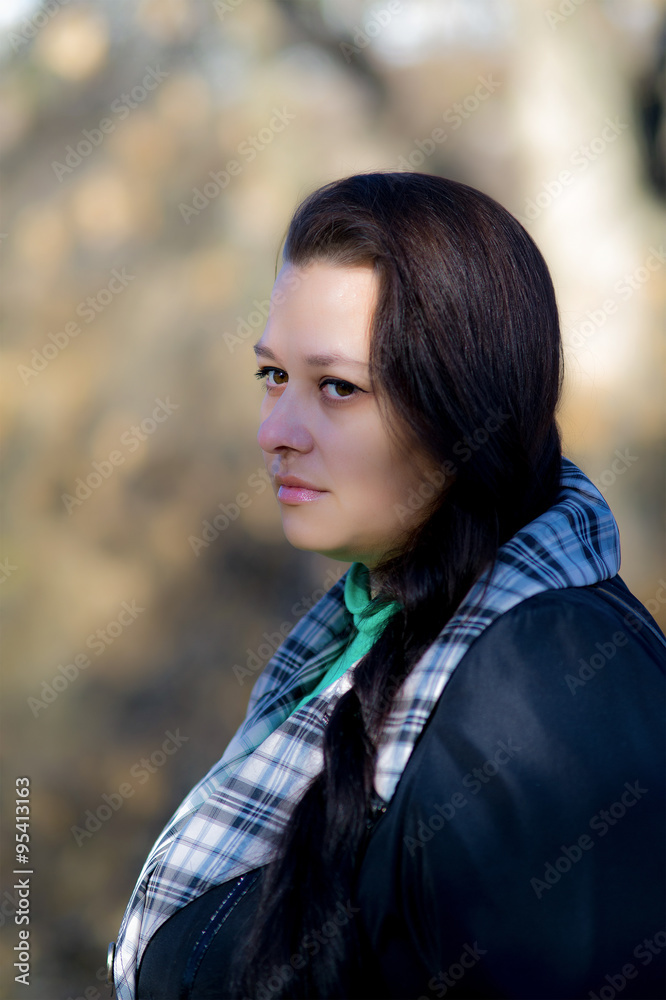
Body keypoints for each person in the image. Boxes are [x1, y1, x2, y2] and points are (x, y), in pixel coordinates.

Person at [108, 171, 666, 1000]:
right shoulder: (364, 636)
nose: (275, 432)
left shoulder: (542, 682)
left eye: (338, 387)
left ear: (461, 407)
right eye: (272, 376)